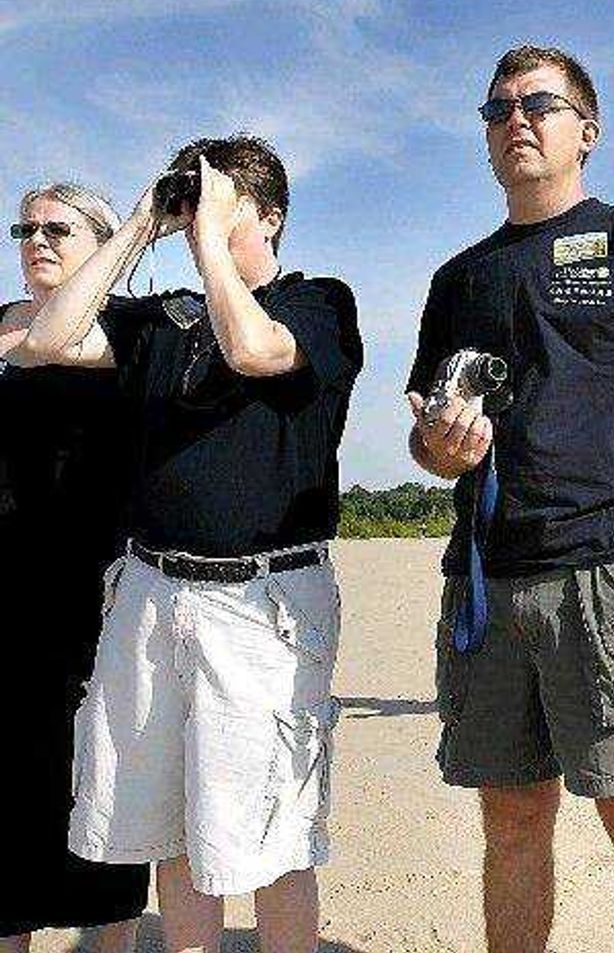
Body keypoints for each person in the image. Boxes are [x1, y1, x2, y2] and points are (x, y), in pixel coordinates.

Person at [405, 44, 614, 953]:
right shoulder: (458, 279)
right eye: (498, 107)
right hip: (489, 574)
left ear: (585, 131)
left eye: (539, 103)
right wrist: (438, 445)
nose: (515, 118)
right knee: (511, 822)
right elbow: (429, 441)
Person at [10, 136, 363, 953]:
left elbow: (255, 350)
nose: (199, 216)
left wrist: (209, 242)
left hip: (262, 599)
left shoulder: (319, 304)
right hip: (149, 591)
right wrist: (139, 221)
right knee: (166, 825)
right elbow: (50, 340)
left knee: (275, 835)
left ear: (269, 217)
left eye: (222, 201)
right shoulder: (161, 318)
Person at [0, 184, 148, 952]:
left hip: (99, 595)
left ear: (104, 241)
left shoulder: (131, 329)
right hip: (4, 599)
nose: (36, 239)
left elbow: (60, 342)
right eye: (24, 226)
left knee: (103, 788)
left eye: (59, 227)